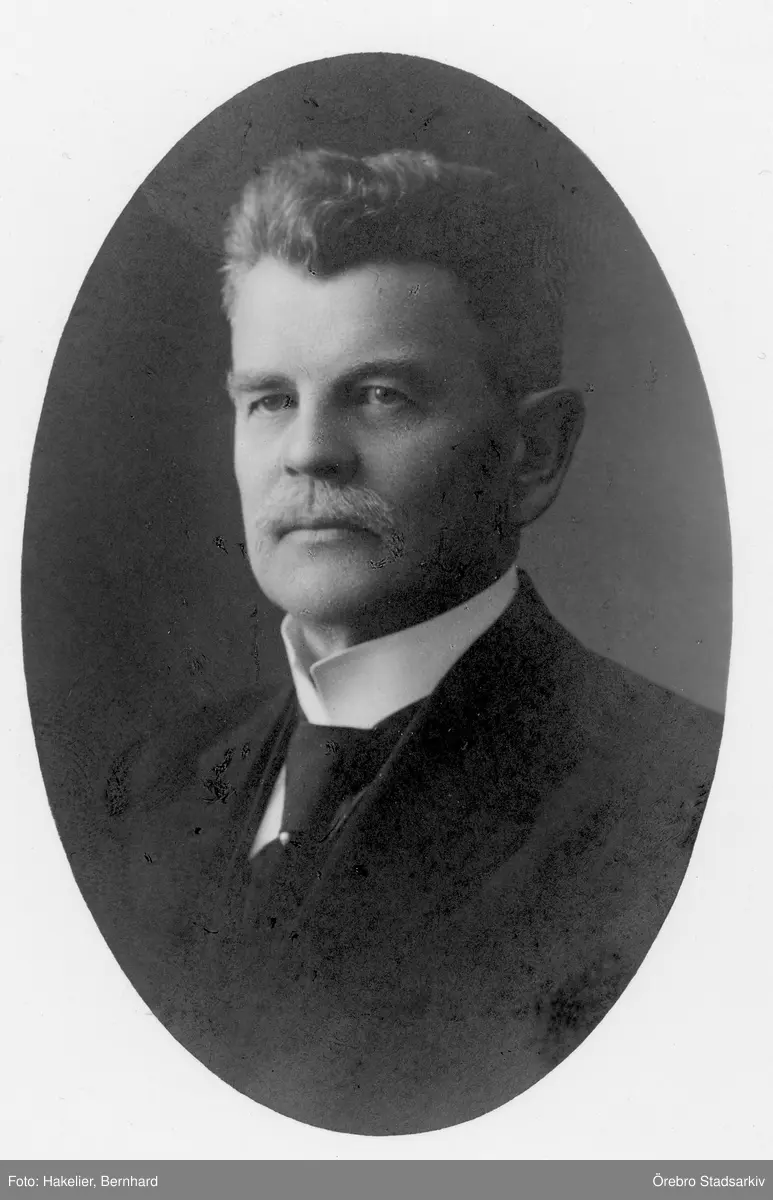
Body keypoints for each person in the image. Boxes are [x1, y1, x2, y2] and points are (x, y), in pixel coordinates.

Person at [100, 148, 722, 1134]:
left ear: (533, 454)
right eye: (270, 399)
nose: (308, 451)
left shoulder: (687, 804)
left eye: (381, 394)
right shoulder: (155, 786)